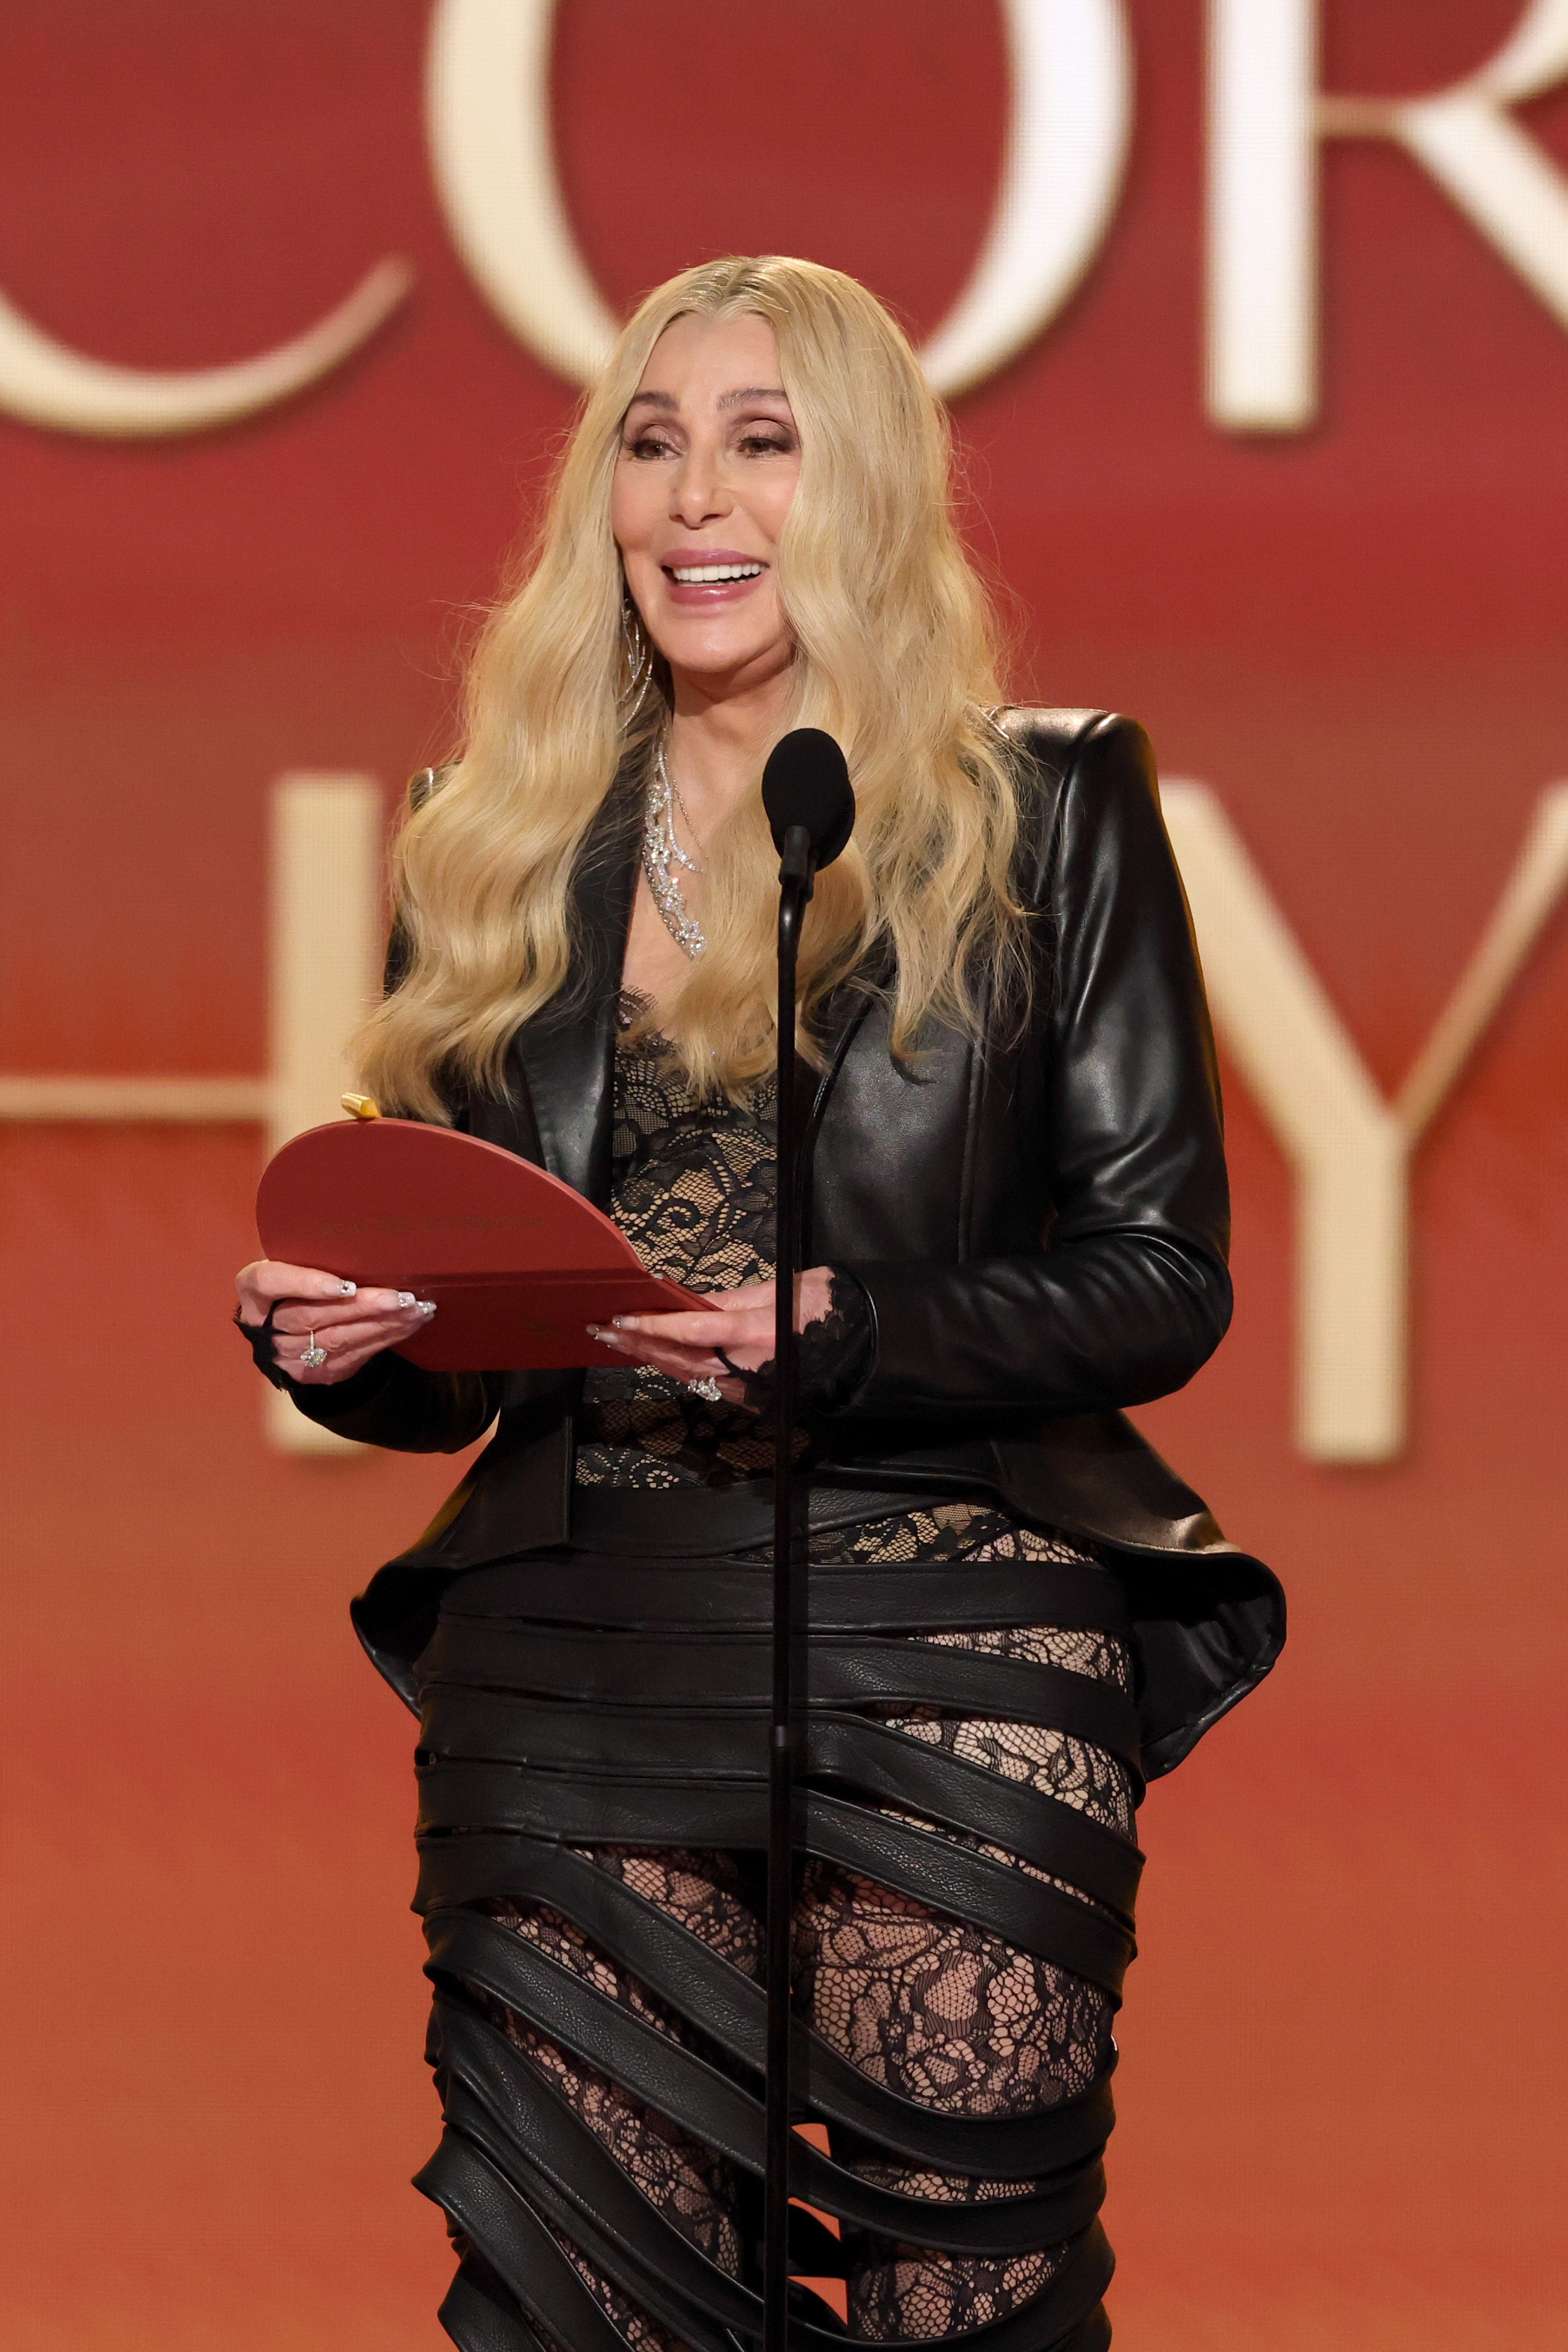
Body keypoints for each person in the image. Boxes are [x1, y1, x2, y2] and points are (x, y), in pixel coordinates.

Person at [235, 256, 1281, 2352]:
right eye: (651, 441)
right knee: (582, 2312)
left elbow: (1161, 1274)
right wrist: (344, 1340)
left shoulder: (1051, 807)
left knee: (956, 2309)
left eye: (762, 439)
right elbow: (454, 1334)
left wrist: (857, 1327)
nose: (694, 498)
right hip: (586, 1652)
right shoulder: (493, 841)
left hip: (947, 1628)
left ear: (866, 488)